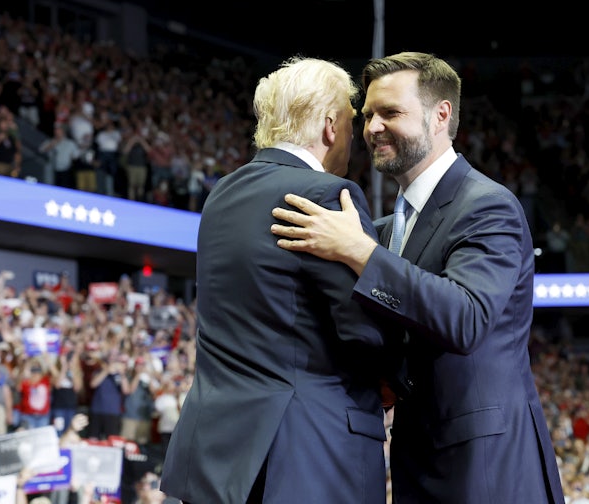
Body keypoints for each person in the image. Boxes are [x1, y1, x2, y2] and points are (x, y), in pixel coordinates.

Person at [270, 52, 565, 504]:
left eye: (390, 112)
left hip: (487, 469)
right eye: (367, 115)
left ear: (440, 115)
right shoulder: (387, 227)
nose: (371, 128)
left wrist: (360, 252)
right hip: (417, 460)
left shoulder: (489, 206)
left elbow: (465, 317)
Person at [160, 56, 398, 504]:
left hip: (218, 455)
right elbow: (365, 330)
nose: (356, 137)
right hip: (308, 454)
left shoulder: (221, 195)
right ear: (330, 125)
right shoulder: (328, 194)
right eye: (350, 121)